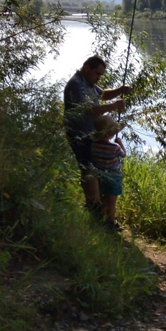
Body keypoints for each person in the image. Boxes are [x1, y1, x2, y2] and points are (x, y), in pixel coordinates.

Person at [63, 55, 130, 215]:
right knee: (88, 168)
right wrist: (113, 106)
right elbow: (88, 110)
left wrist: (120, 90)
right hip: (78, 134)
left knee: (94, 167)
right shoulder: (76, 84)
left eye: (101, 75)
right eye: (97, 73)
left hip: (90, 134)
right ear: (87, 68)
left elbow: (103, 95)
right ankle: (93, 205)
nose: (99, 78)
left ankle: (97, 204)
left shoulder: (88, 82)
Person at [90, 115, 127, 231]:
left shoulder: (93, 145)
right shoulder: (115, 147)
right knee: (112, 201)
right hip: (114, 176)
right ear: (111, 134)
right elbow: (123, 154)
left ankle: (100, 218)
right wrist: (120, 143)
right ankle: (110, 222)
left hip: (100, 175)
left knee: (103, 198)